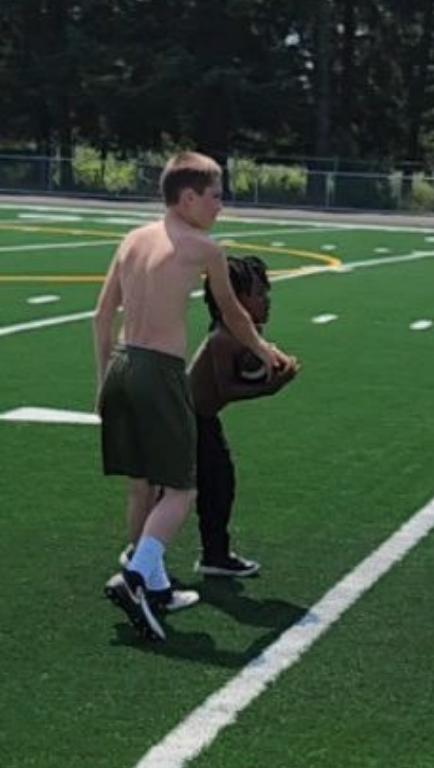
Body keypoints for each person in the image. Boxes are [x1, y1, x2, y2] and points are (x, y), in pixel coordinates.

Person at [94, 151, 293, 643]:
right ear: (187, 198)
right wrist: (266, 352)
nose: (220, 205)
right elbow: (234, 315)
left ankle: (153, 584)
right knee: (181, 488)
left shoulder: (132, 238)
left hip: (121, 363)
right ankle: (137, 575)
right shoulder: (204, 247)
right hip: (159, 371)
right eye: (215, 195)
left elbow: (100, 317)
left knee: (142, 483)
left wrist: (102, 382)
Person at [187, 255, 297, 577]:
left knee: (213, 485)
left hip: (202, 419)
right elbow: (226, 389)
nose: (267, 301)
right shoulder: (224, 336)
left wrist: (274, 363)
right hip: (187, 419)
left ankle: (212, 553)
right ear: (234, 301)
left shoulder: (243, 333)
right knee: (200, 487)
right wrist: (273, 385)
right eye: (259, 294)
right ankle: (209, 555)